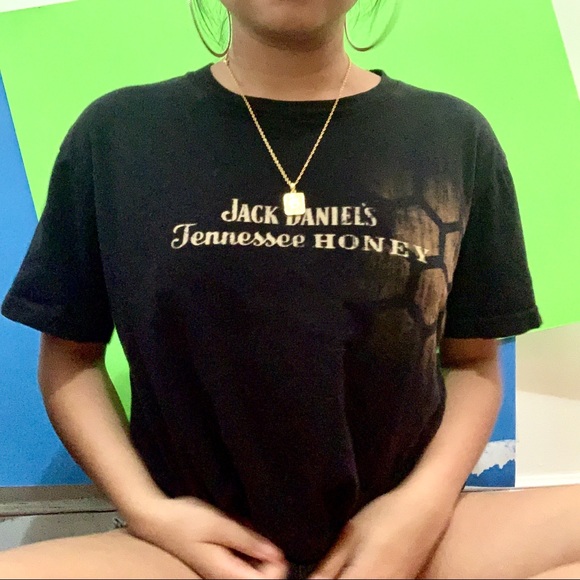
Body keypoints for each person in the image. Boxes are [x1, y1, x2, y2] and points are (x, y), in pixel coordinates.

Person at [1, 0, 579, 578]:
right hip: (188, 551)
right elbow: (70, 359)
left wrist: (420, 508)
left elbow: (473, 362)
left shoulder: (453, 135)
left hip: (407, 542)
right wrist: (150, 512)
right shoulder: (118, 133)